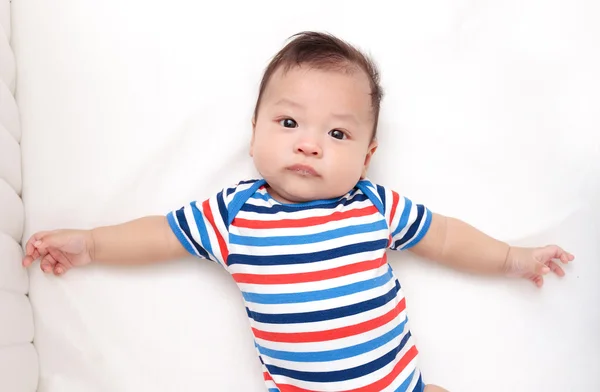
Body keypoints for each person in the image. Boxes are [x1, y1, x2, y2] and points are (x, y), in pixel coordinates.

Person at [21, 31, 574, 392]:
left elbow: (448, 237)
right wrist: (91, 244)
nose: (310, 144)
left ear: (367, 156)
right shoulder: (234, 213)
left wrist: (509, 258)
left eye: (337, 133)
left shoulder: (373, 206)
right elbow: (161, 234)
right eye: (289, 123)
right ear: (254, 131)